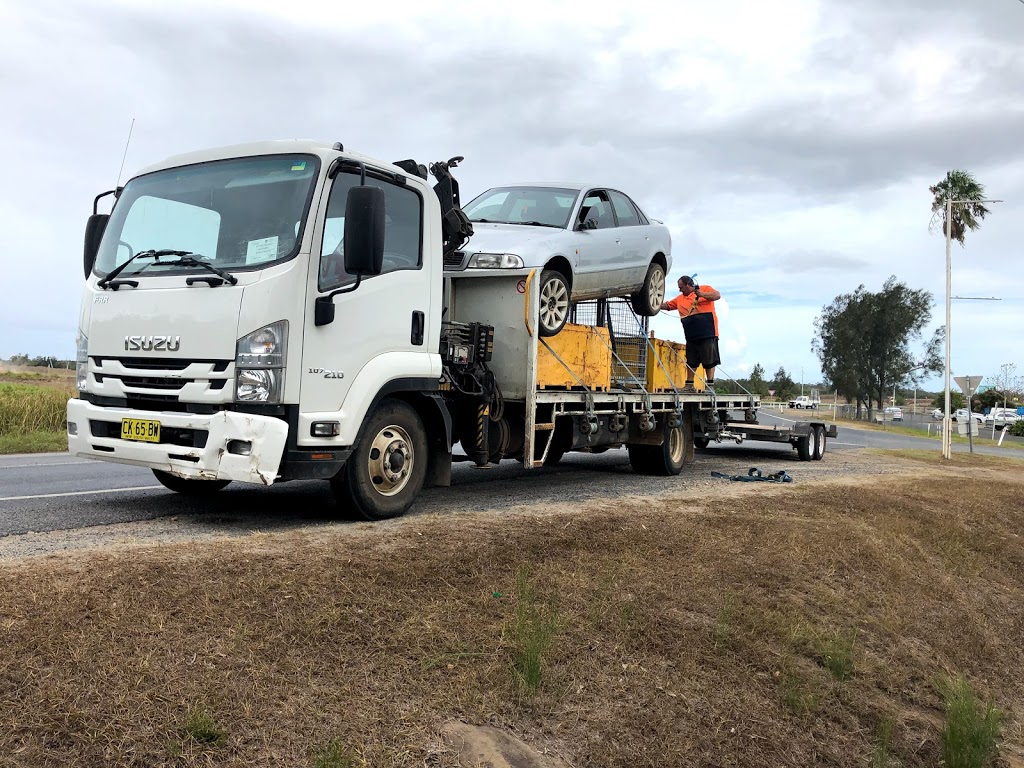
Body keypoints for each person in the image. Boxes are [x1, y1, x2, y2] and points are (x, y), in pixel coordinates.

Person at [661, 275, 722, 392]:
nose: (680, 290)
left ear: (689, 285)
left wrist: (702, 294)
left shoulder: (704, 289)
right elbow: (668, 305)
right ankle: (689, 385)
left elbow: (717, 295)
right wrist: (654, 305)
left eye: (681, 287)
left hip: (707, 332)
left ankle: (710, 385)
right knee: (691, 360)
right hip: (691, 334)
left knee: (709, 360)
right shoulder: (680, 299)